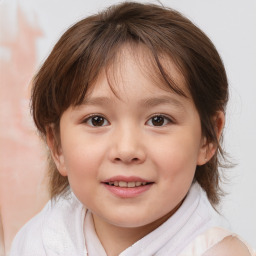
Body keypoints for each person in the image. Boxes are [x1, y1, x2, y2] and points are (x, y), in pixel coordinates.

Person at [10, 2, 255, 256]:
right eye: (97, 120)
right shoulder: (38, 239)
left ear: (207, 138)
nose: (127, 150)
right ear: (57, 145)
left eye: (158, 120)